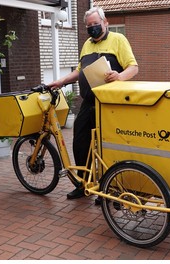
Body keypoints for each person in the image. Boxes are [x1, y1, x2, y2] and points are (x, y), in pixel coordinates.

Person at [48, 6, 138, 200]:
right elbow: (81, 70)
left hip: (109, 105)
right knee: (81, 144)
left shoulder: (118, 40)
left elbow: (133, 67)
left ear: (105, 23)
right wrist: (61, 81)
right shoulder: (87, 44)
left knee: (106, 147)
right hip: (88, 102)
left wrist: (119, 76)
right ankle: (83, 184)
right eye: (89, 25)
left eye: (96, 24)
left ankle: (107, 190)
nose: (92, 28)